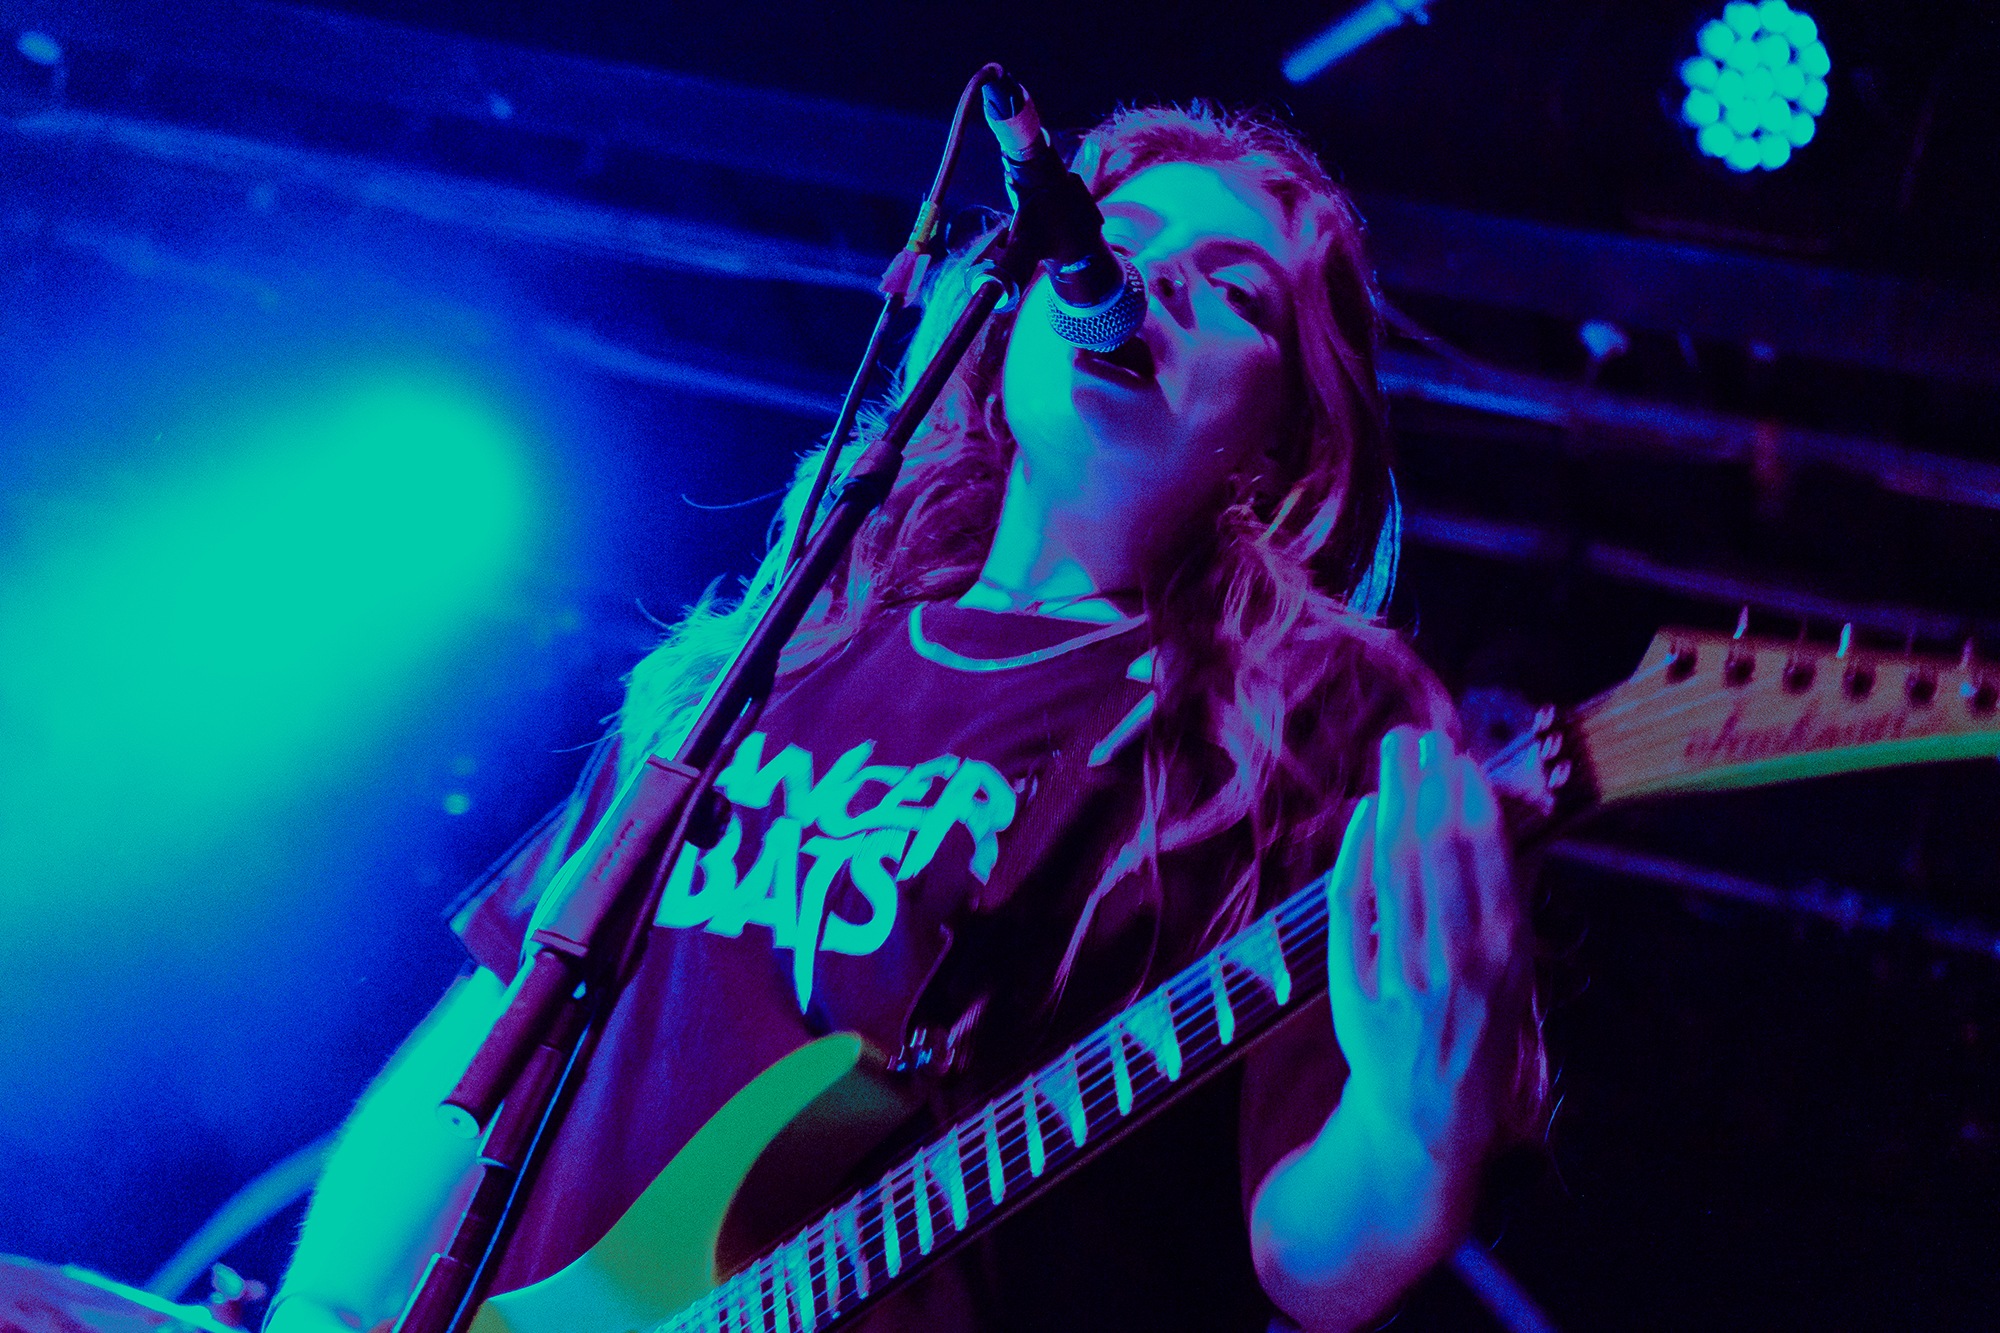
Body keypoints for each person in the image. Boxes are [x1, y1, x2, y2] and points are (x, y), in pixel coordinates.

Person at [270, 103, 1541, 1333]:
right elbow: (504, 1025)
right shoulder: (779, 652)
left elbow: (1308, 1260)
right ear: (1011, 311)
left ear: (1280, 440)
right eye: (1118, 238)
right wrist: (322, 1307)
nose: (1149, 280)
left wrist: (1418, 1134)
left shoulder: (1302, 722)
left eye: (1235, 292)